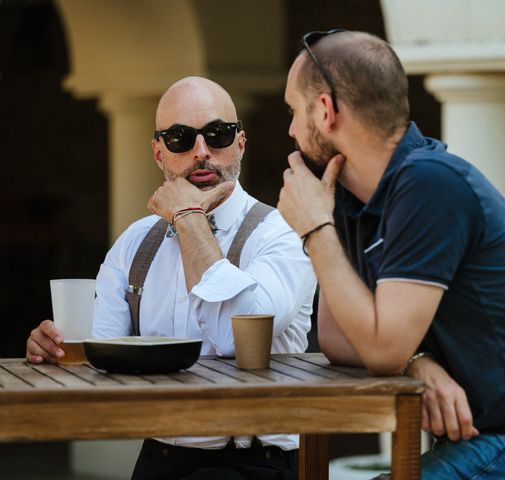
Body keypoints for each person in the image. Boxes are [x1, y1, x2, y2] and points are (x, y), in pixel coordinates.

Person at [278, 30, 505, 479]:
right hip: (492, 442)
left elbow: (380, 348)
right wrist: (417, 361)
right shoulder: (354, 198)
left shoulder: (429, 184)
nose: (291, 130)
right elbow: (338, 340)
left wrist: (315, 229)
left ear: (326, 110)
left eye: (294, 110)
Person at [26, 76, 316, 480]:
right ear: (159, 152)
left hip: (255, 460)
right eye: (180, 138)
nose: (201, 152)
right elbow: (102, 351)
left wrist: (187, 217)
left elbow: (238, 336)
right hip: (160, 456)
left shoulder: (281, 233)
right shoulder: (135, 242)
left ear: (241, 143)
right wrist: (54, 348)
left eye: (217, 134)